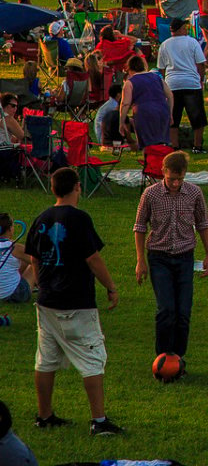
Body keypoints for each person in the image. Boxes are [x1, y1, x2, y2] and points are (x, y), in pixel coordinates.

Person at [19, 168, 122, 435]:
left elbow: (34, 259)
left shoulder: (42, 218)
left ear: (53, 188)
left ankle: (44, 415)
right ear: (77, 187)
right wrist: (110, 287)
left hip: (47, 301)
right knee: (92, 359)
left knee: (45, 359)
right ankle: (99, 421)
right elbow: (92, 258)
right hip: (76, 301)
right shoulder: (79, 219)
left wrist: (42, 284)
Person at [132, 149, 208, 362]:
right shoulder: (150, 194)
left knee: (183, 312)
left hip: (185, 256)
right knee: (167, 310)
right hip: (159, 257)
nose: (176, 184)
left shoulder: (194, 193)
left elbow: (203, 224)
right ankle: (162, 356)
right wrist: (141, 261)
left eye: (180, 179)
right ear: (163, 172)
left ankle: (178, 357)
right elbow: (139, 227)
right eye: (171, 179)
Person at [154, 25, 207, 153]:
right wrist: (200, 79)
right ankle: (197, 146)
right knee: (197, 118)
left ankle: (174, 145)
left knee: (173, 116)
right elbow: (201, 63)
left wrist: (164, 83)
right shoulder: (192, 42)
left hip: (172, 84)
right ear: (181, 29)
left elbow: (160, 68)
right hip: (191, 83)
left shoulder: (165, 44)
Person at [117, 55, 170, 148]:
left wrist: (121, 122)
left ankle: (149, 160)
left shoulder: (130, 82)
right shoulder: (157, 78)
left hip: (144, 112)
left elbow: (125, 104)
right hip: (162, 110)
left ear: (130, 69)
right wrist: (170, 112)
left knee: (147, 144)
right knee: (162, 142)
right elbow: (170, 96)